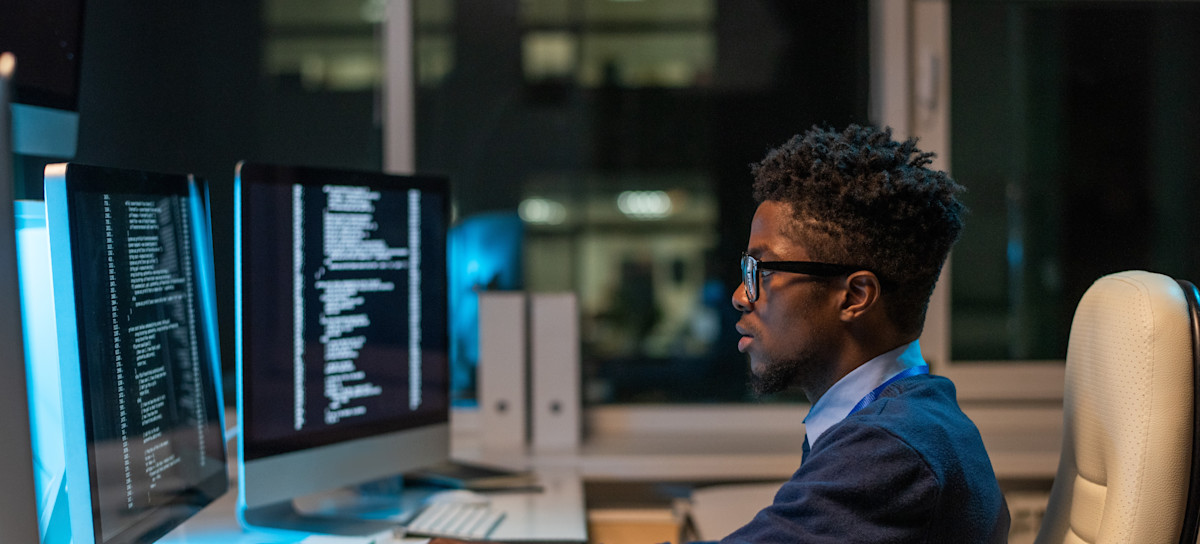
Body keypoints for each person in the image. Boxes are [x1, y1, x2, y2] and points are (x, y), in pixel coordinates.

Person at [723, 125, 1010, 542]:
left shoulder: (891, 450)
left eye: (761, 272)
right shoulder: (908, 416)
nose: (739, 296)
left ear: (855, 296)